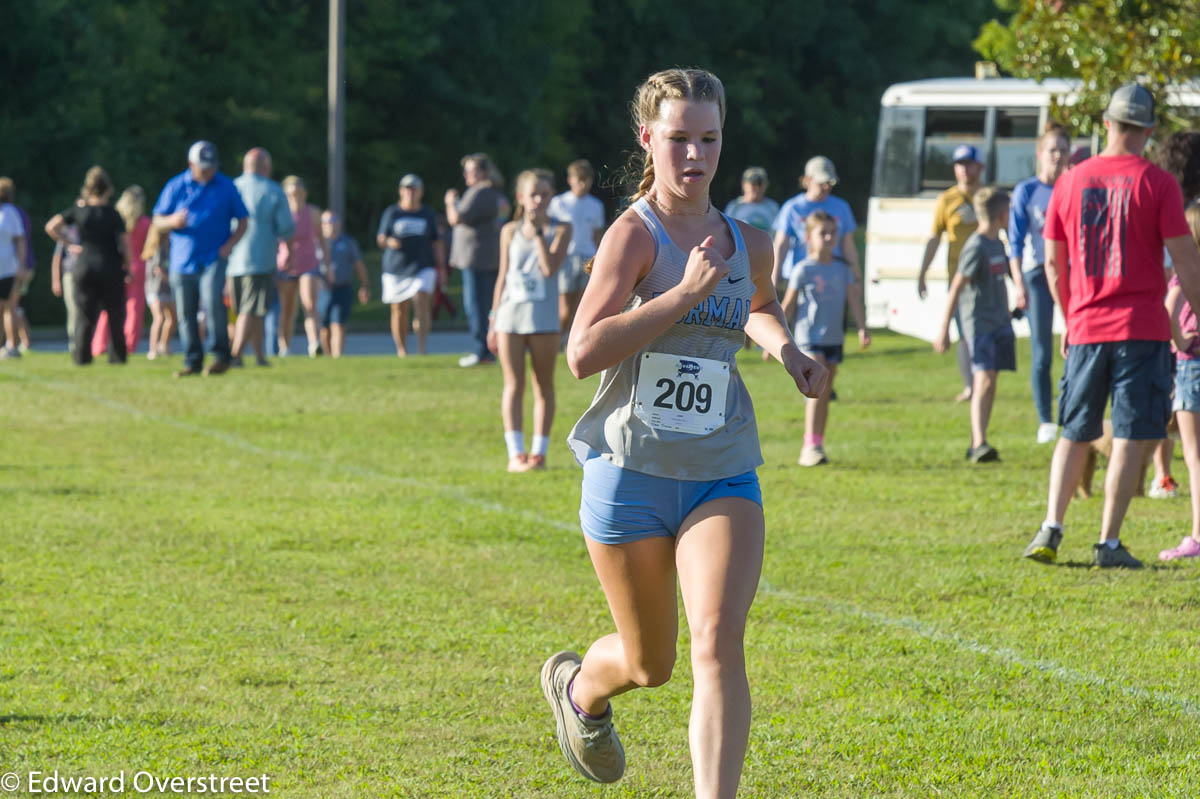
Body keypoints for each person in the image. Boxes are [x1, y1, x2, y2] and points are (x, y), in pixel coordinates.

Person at [542, 68, 829, 797]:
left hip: (721, 468)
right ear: (648, 139)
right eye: (678, 139)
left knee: (716, 643)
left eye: (708, 138)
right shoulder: (632, 237)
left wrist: (786, 349)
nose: (695, 155)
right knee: (649, 663)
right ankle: (581, 691)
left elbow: (755, 303)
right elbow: (581, 353)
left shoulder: (749, 241)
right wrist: (679, 296)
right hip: (629, 472)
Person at [1022, 85, 1200, 569]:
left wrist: (1068, 316)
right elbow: (1185, 259)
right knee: (1129, 434)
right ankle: (1108, 542)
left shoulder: (1070, 181)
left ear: (1107, 123)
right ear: (1148, 130)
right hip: (1140, 329)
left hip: (1085, 325)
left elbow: (1053, 265)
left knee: (1074, 430)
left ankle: (1051, 527)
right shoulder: (1159, 184)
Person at [488, 168, 570, 471]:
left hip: (543, 319)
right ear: (521, 197)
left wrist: (537, 233)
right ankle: (515, 453)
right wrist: (493, 318)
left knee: (543, 384)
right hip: (510, 316)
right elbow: (503, 277)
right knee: (513, 384)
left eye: (545, 194)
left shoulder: (562, 229)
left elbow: (549, 269)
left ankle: (539, 452)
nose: (539, 200)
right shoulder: (508, 231)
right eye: (533, 194)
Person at [935, 187, 1024, 462]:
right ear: (1001, 214)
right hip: (979, 323)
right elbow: (956, 288)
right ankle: (978, 443)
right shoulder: (976, 246)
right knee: (982, 380)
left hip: (999, 321)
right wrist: (945, 329)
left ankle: (981, 438)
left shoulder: (999, 243)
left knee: (991, 381)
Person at [152, 140, 248, 377]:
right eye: (203, 167)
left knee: (213, 303)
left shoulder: (226, 186)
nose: (208, 171)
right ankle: (192, 360)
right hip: (182, 260)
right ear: (191, 164)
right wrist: (172, 221)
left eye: (211, 166)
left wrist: (229, 246)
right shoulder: (176, 186)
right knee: (185, 312)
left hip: (213, 258)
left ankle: (220, 357)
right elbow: (157, 220)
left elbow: (244, 220)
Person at [780, 210, 869, 467]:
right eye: (823, 233)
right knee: (815, 390)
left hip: (834, 338)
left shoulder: (843, 269)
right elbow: (788, 304)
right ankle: (809, 448)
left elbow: (854, 299)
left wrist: (862, 328)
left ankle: (817, 441)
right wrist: (776, 340)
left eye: (833, 232)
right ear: (809, 237)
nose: (829, 237)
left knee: (825, 391)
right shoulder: (803, 269)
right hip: (809, 339)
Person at [1146, 131, 1200, 499]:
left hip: (1166, 318)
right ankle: (1162, 474)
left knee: (1164, 402)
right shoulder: (1181, 206)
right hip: (1177, 320)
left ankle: (1161, 474)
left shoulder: (1160, 196)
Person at [1009, 125, 1071, 444]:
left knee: (1076, 344)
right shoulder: (1027, 191)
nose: (1058, 156)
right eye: (1052, 150)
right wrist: (1018, 283)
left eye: (1063, 149)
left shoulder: (1073, 186)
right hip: (1036, 274)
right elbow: (1015, 242)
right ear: (1040, 154)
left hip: (1070, 272)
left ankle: (1070, 412)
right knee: (1042, 349)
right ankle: (1045, 418)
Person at [917, 144, 985, 402]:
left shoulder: (988, 197)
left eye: (969, 163)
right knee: (965, 333)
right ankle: (971, 386)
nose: (964, 169)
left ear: (980, 166)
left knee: (982, 333)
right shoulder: (946, 200)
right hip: (958, 277)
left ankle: (983, 381)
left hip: (986, 277)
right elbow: (935, 238)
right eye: (959, 164)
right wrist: (923, 272)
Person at [44, 167, 130, 365]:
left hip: (84, 265)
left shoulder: (79, 211)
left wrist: (68, 243)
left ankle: (82, 357)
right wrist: (129, 268)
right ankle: (117, 356)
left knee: (84, 315)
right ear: (108, 189)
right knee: (115, 314)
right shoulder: (113, 214)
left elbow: (51, 226)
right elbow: (125, 244)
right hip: (110, 265)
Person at [228, 148, 294, 367]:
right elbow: (286, 227)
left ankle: (258, 356)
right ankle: (236, 355)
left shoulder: (231, 187)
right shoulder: (273, 190)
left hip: (232, 260)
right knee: (251, 308)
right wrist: (289, 251)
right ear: (266, 166)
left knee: (251, 309)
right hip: (260, 258)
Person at [1160, 202, 1200, 560]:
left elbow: (1169, 309)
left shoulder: (1186, 274)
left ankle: (1197, 535)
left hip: (1192, 366)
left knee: (1194, 456)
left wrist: (1178, 340)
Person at [446, 152, 507, 367]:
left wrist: (450, 202)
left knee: (475, 306)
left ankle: (482, 351)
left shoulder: (479, 192)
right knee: (483, 305)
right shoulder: (495, 194)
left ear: (483, 172)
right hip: (486, 257)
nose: (466, 175)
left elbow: (456, 218)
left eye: (471, 170)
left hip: (476, 259)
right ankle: (486, 350)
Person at [377, 174, 443, 356]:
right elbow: (381, 238)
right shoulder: (392, 212)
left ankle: (422, 348)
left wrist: (442, 267)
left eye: (414, 189)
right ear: (401, 191)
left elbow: (436, 241)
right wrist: (390, 242)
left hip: (422, 266)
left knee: (421, 302)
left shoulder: (427, 213)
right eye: (407, 189)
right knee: (399, 310)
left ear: (420, 192)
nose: (410, 192)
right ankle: (402, 350)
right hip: (396, 268)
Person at [771, 157, 860, 289]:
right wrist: (774, 278)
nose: (827, 187)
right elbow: (781, 245)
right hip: (800, 278)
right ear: (808, 180)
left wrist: (856, 277)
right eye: (822, 182)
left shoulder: (841, 207)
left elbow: (848, 245)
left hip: (834, 276)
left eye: (830, 182)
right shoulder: (793, 207)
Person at [549, 159, 606, 337]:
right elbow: (550, 234)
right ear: (570, 180)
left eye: (586, 180)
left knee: (582, 305)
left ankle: (574, 340)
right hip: (566, 258)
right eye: (578, 179)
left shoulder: (595, 205)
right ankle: (557, 340)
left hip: (587, 256)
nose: (582, 184)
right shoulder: (559, 203)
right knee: (564, 308)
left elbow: (596, 236)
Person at [92, 186, 151, 357]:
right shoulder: (145, 223)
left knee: (109, 307)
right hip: (138, 266)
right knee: (134, 308)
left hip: (117, 264)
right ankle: (129, 345)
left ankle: (100, 345)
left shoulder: (115, 221)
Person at [276, 175, 328, 357]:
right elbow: (275, 241)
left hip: (309, 265)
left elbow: (321, 241)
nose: (295, 196)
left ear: (304, 193)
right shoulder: (281, 214)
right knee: (288, 310)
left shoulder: (313, 212)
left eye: (298, 192)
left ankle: (314, 343)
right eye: (291, 193)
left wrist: (327, 267)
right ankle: (284, 347)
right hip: (286, 266)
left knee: (309, 304)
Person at [318, 210, 369, 358]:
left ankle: (337, 356)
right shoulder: (316, 243)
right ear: (321, 225)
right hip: (322, 290)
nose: (331, 225)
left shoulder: (348, 243)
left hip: (342, 288)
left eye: (334, 221)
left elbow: (359, 265)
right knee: (324, 327)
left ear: (339, 224)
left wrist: (365, 285)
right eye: (327, 222)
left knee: (338, 323)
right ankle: (327, 355)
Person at [0, 178, 29, 360]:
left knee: (9, 307)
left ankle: (12, 345)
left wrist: (21, 264)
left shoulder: (10, 213)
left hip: (7, 268)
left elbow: (20, 239)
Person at [142, 222, 175, 359]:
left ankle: (164, 345)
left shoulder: (170, 247)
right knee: (159, 317)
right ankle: (153, 349)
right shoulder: (157, 248)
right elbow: (158, 269)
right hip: (155, 288)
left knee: (172, 318)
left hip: (168, 289)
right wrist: (172, 280)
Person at [723, 166, 778, 232]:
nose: (757, 188)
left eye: (759, 184)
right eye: (753, 184)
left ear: (765, 185)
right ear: (744, 184)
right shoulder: (734, 206)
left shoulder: (772, 207)